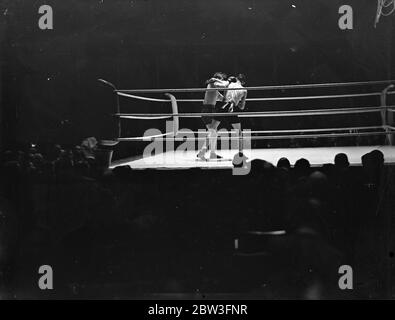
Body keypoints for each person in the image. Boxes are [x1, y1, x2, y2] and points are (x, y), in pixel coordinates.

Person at [197, 72, 229, 160]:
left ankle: (209, 153)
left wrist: (227, 92)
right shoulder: (213, 84)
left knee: (213, 132)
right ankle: (205, 152)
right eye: (221, 79)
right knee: (213, 132)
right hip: (207, 110)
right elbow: (225, 84)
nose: (222, 81)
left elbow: (224, 99)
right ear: (218, 79)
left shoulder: (215, 90)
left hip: (210, 110)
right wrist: (225, 82)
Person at [222, 74, 247, 155]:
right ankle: (240, 153)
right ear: (243, 82)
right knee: (239, 133)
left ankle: (203, 151)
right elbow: (242, 107)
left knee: (213, 129)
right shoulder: (244, 90)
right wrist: (236, 102)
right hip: (231, 109)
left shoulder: (230, 84)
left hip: (222, 107)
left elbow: (224, 96)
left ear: (236, 79)